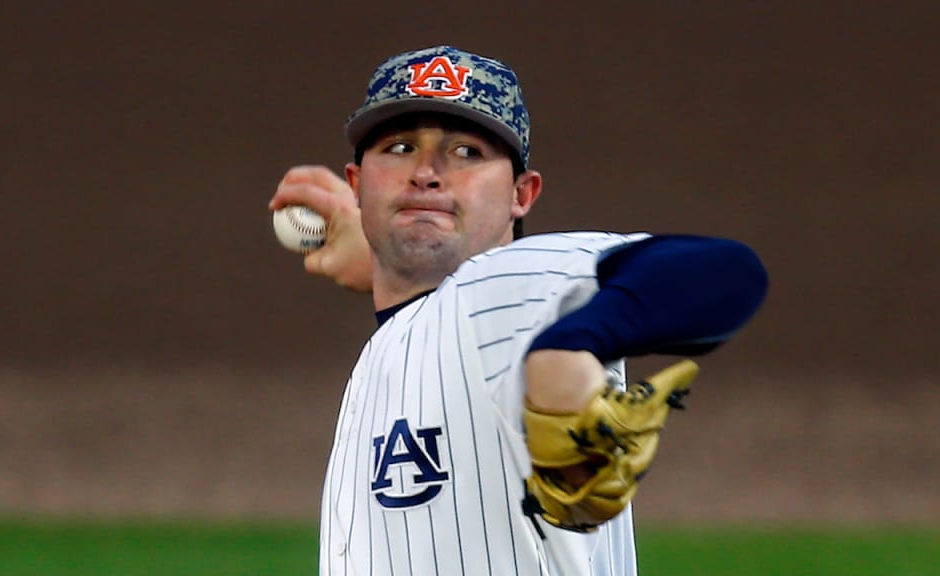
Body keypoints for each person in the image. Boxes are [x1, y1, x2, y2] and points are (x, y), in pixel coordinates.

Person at [270, 45, 768, 576]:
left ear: (521, 195)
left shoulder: (504, 288)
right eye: (399, 147)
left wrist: (572, 346)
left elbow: (725, 272)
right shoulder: (413, 330)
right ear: (356, 185)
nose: (426, 173)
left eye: (466, 152)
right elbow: (435, 314)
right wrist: (380, 264)